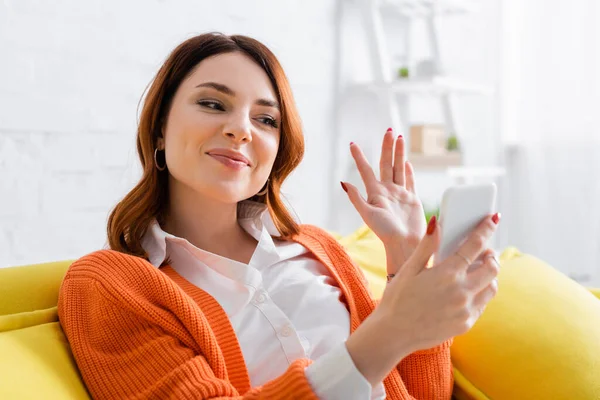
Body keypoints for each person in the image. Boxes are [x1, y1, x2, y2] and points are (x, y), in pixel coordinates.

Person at [57, 33, 501, 400]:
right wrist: (388, 333)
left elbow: (424, 394)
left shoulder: (319, 249)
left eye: (266, 119)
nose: (242, 129)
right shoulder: (109, 285)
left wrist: (407, 269)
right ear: (159, 129)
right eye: (213, 104)